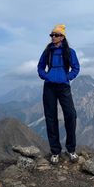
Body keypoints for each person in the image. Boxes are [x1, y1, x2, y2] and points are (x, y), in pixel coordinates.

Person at [37, 24, 80, 165]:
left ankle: (71, 149)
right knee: (51, 118)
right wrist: (46, 76)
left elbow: (76, 67)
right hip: (49, 87)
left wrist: (67, 77)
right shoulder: (47, 51)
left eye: (56, 35)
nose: (53, 37)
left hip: (63, 86)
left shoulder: (69, 51)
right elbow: (40, 67)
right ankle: (55, 151)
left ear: (62, 36)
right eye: (52, 35)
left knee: (70, 115)